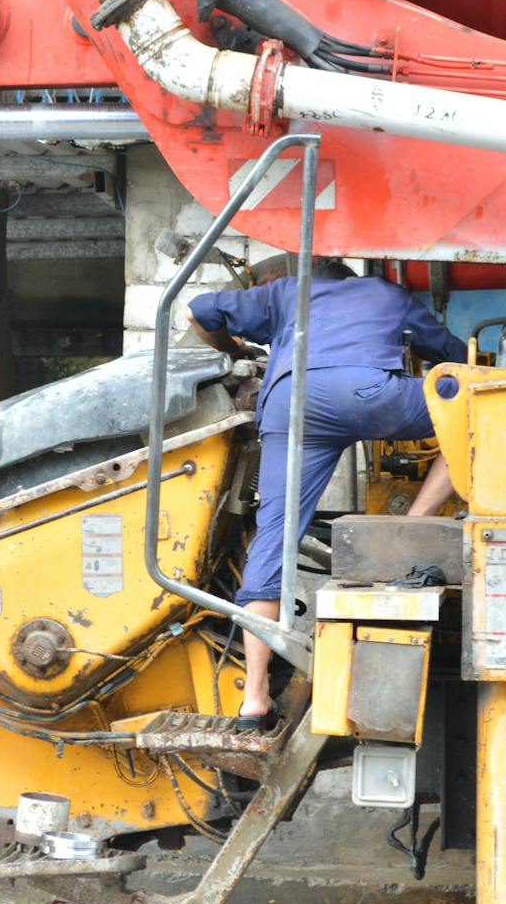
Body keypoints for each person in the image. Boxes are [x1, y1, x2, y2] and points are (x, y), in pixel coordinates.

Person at [187, 260, 468, 726]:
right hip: (371, 393)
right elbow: (455, 357)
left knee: (273, 542)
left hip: (292, 404)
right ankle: (414, 522)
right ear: (348, 277)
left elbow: (199, 313)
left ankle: (254, 698)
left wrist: (230, 351)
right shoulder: (384, 292)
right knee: (479, 407)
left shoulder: (286, 294)